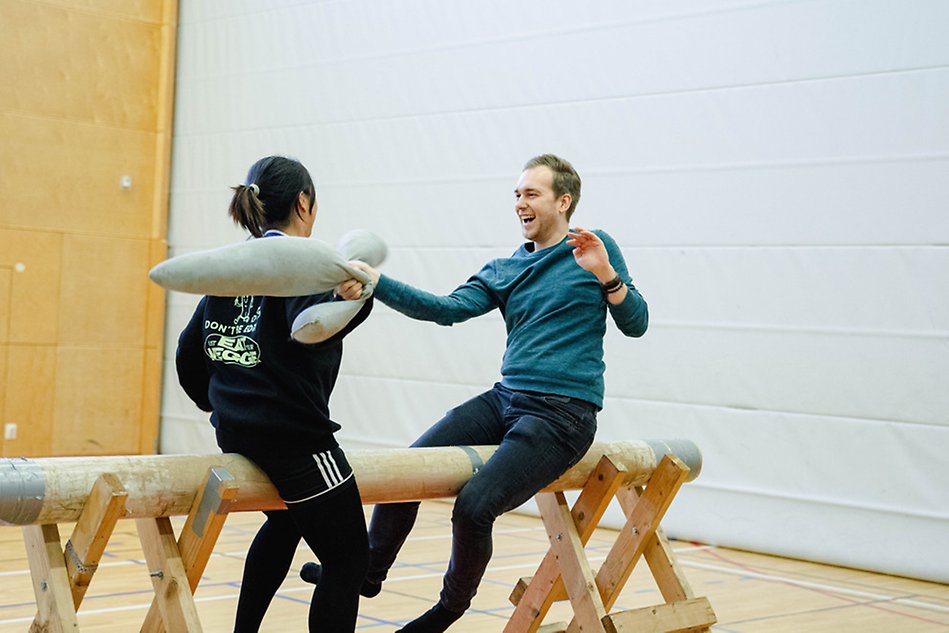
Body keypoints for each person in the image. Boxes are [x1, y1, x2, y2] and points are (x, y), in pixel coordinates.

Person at [301, 153, 648, 632]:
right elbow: (446, 309)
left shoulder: (594, 249)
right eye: (516, 195)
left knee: (474, 506)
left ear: (563, 201)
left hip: (564, 414)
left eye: (531, 194)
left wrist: (606, 275)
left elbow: (637, 324)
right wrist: (376, 283)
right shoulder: (503, 269)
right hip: (507, 398)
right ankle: (368, 572)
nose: (520, 204)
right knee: (409, 467)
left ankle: (449, 608)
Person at [176, 155, 372, 633]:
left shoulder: (231, 269)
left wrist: (223, 406)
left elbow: (188, 356)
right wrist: (356, 301)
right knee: (349, 563)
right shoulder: (305, 266)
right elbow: (313, 331)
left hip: (235, 433)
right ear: (304, 202)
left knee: (285, 523)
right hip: (297, 446)